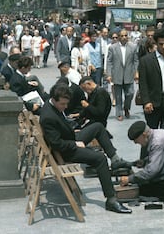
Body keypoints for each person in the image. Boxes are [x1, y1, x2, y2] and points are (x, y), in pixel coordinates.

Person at [39, 83, 132, 214]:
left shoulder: (53, 106)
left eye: (66, 104)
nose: (65, 107)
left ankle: (115, 159)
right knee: (100, 159)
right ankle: (111, 199)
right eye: (63, 104)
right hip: (65, 150)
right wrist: (75, 144)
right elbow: (56, 144)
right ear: (54, 99)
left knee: (98, 127)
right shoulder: (48, 116)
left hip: (69, 137)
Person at [120, 121, 164, 202]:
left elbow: (152, 171)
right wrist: (145, 161)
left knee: (142, 191)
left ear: (144, 134)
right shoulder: (155, 134)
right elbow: (158, 157)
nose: (136, 143)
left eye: (136, 140)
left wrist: (129, 179)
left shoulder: (157, 142)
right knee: (141, 183)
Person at [138, 28, 164, 130]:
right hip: (152, 103)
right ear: (156, 43)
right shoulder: (145, 61)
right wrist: (146, 101)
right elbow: (143, 83)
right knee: (151, 134)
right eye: (161, 44)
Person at [106, 29, 138, 121]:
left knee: (130, 93)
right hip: (117, 74)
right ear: (119, 37)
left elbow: (136, 60)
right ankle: (119, 113)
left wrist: (136, 72)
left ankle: (126, 107)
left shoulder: (133, 47)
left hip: (129, 74)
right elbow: (109, 61)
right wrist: (109, 74)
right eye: (122, 36)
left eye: (125, 35)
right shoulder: (112, 47)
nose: (124, 37)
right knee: (118, 96)